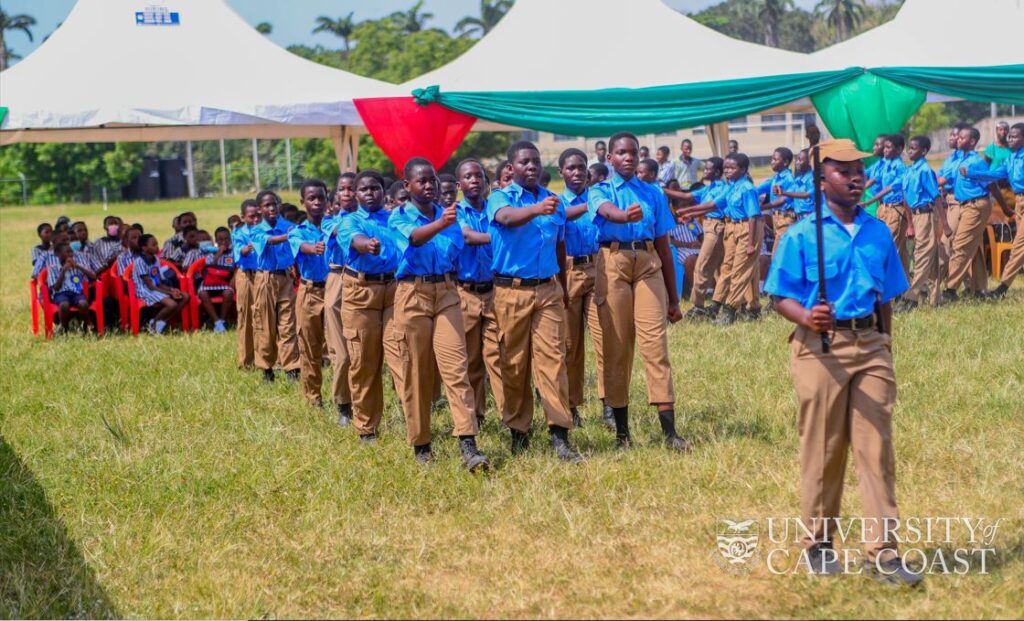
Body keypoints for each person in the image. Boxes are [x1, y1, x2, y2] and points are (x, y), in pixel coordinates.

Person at [764, 138, 920, 587]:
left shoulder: (877, 231)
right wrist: (805, 315)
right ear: (820, 180)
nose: (855, 178)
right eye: (843, 170)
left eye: (859, 170)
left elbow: (887, 293)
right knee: (824, 448)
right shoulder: (800, 234)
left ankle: (884, 553)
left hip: (870, 343)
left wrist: (885, 343)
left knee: (877, 451)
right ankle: (818, 544)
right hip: (821, 348)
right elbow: (780, 295)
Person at [588, 132, 689, 451]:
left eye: (633, 152)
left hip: (648, 263)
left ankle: (670, 434)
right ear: (610, 159)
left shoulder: (653, 193)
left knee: (655, 345)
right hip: (613, 260)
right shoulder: (599, 190)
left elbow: (664, 244)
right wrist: (623, 215)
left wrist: (674, 299)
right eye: (621, 153)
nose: (628, 157)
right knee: (618, 346)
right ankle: (622, 434)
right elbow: (606, 212)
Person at [389, 158, 489, 470]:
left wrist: (446, 224)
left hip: (446, 292)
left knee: (456, 367)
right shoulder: (398, 217)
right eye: (422, 181)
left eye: (432, 180)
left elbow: (455, 252)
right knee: (417, 371)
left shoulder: (449, 218)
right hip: (412, 293)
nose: (430, 186)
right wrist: (442, 224)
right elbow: (415, 239)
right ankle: (421, 443)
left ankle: (468, 444)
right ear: (408, 186)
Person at [488, 142, 583, 462]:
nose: (531, 166)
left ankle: (559, 434)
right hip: (511, 291)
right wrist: (534, 211)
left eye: (535, 161)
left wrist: (564, 286)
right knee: (514, 363)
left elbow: (559, 245)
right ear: (511, 168)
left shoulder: (552, 201)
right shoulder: (500, 197)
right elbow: (507, 219)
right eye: (524, 162)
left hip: (548, 291)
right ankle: (519, 431)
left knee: (554, 361)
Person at [337, 170, 406, 443]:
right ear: (355, 194)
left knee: (401, 355)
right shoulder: (349, 221)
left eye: (375, 188)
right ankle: (366, 427)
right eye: (363, 189)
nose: (369, 193)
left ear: (383, 191)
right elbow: (356, 241)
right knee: (364, 360)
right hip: (360, 293)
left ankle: (414, 421)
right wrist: (369, 245)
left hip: (394, 291)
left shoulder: (395, 218)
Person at [679, 153, 764, 324]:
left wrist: (750, 243)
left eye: (732, 168)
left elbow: (753, 216)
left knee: (740, 270)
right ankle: (718, 304)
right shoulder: (731, 186)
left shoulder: (747, 188)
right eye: (726, 167)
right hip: (732, 227)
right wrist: (688, 212)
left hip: (748, 227)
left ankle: (730, 310)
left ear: (743, 170)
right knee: (727, 268)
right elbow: (712, 205)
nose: (727, 171)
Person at [453, 159, 504, 428]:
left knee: (498, 356)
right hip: (466, 293)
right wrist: (505, 238)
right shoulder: (455, 212)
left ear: (486, 181)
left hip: (495, 290)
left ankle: (510, 415)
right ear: (459, 184)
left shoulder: (495, 209)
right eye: (468, 177)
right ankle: (476, 416)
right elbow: (468, 237)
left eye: (479, 176)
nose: (474, 180)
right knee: (471, 359)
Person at [558, 148, 605, 430]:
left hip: (598, 267)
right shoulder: (556, 202)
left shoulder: (598, 199)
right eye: (571, 168)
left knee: (605, 341)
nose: (577, 173)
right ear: (561, 172)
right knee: (570, 344)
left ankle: (610, 402)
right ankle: (572, 405)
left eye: (581, 168)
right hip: (569, 270)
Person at [963, 122, 1023, 298]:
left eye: (1014, 136)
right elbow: (994, 174)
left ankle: (1001, 288)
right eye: (1009, 136)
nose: (1009, 138)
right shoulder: (1011, 159)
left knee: (1019, 245)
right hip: (1019, 203)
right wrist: (972, 174)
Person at [287, 180, 333, 407]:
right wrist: (313, 248)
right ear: (302, 202)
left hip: (335, 290)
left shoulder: (335, 226)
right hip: (310, 291)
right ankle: (313, 397)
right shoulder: (297, 231)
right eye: (311, 198)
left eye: (321, 198)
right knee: (310, 345)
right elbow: (302, 247)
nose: (316, 202)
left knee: (339, 348)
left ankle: (344, 397)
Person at [666, 158, 728, 320]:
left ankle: (698, 306)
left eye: (707, 169)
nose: (704, 171)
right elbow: (685, 196)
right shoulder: (709, 188)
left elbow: (710, 206)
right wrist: (663, 190)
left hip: (716, 227)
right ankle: (719, 304)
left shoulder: (722, 188)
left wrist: (689, 213)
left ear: (716, 172)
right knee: (717, 269)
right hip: (709, 227)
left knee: (702, 265)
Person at [250, 190, 300, 383]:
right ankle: (267, 367)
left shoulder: (288, 226)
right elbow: (268, 242)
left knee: (288, 324)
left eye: (274, 204)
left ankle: (292, 368)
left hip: (285, 278)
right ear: (260, 209)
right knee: (265, 324)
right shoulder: (256, 230)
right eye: (267, 205)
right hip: (265, 279)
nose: (271, 208)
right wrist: (288, 236)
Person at [895, 136, 948, 311]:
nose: (909, 151)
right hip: (916, 216)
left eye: (914, 148)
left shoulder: (925, 170)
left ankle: (911, 298)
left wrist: (945, 224)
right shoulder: (909, 171)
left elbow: (936, 198)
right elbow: (906, 198)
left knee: (922, 255)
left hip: (927, 215)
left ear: (924, 151)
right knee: (930, 257)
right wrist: (909, 223)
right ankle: (936, 298)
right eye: (909, 148)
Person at [942, 126, 993, 301]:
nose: (958, 140)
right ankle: (978, 289)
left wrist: (1004, 206)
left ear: (972, 142)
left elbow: (990, 183)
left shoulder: (976, 162)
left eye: (962, 138)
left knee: (961, 245)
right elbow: (943, 179)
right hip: (963, 205)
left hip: (976, 205)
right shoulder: (958, 160)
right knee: (974, 247)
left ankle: (950, 289)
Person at [321, 176, 357, 425]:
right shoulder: (330, 221)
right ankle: (343, 404)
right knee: (342, 353)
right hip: (338, 280)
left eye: (352, 188)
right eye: (341, 189)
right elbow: (341, 232)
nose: (347, 193)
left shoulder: (372, 219)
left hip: (368, 282)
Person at [861, 134, 911, 279]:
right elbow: (872, 179)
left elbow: (889, 188)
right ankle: (906, 288)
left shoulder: (899, 167)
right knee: (900, 253)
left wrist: (867, 202)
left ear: (899, 149)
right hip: (883, 208)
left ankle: (886, 288)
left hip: (895, 209)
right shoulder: (886, 164)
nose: (884, 150)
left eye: (887, 147)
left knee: (888, 248)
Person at [133, 234, 190, 335]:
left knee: (185, 296)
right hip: (144, 290)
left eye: (157, 244)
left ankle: (161, 323)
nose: (157, 247)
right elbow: (150, 286)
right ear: (144, 248)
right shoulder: (140, 262)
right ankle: (153, 324)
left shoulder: (156, 259)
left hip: (155, 288)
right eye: (153, 244)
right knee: (172, 304)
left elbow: (158, 282)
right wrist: (169, 293)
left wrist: (172, 289)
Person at [232, 200, 262, 370]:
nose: (256, 219)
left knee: (264, 317)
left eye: (258, 215)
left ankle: (266, 358)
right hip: (247, 276)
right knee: (246, 318)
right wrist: (251, 245)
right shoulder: (239, 233)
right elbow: (240, 253)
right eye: (251, 216)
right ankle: (247, 361)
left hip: (263, 275)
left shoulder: (265, 229)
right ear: (243, 217)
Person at [44, 241, 97, 333]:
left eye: (71, 252)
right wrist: (63, 271)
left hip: (77, 293)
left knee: (83, 304)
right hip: (60, 294)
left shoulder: (77, 266)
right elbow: (56, 288)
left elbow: (93, 277)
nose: (70, 255)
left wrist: (78, 267)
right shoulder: (53, 269)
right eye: (66, 252)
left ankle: (86, 328)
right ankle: (64, 329)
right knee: (64, 305)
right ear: (58, 254)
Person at [757, 147, 798, 256]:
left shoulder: (788, 179)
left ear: (785, 162)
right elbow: (756, 190)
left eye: (775, 160)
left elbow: (783, 200)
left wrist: (762, 207)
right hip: (777, 219)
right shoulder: (775, 179)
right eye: (772, 159)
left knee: (777, 257)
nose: (772, 162)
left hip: (786, 219)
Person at [197, 227, 236, 333]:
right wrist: (219, 252)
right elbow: (212, 265)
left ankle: (222, 321)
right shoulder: (210, 253)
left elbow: (236, 270)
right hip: (209, 283)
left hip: (225, 283)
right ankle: (216, 322)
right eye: (221, 239)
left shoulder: (233, 253)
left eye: (227, 239)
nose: (224, 242)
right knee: (203, 293)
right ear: (216, 241)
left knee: (228, 293)